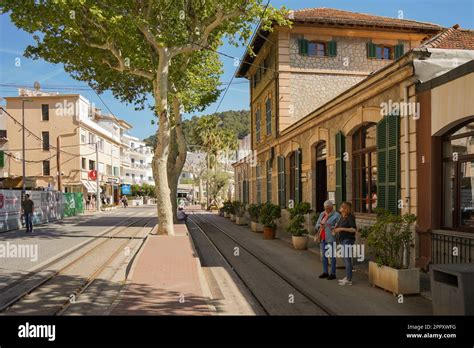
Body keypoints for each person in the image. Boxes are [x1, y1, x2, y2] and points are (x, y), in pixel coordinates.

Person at [314, 200, 340, 280]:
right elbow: (317, 225)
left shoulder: (336, 215)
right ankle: (325, 272)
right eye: (325, 208)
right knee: (324, 256)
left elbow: (338, 226)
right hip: (322, 237)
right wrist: (320, 225)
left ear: (332, 207)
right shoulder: (322, 214)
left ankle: (333, 273)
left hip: (331, 238)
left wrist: (330, 226)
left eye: (328, 208)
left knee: (332, 257)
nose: (327, 209)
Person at [334, 201, 357, 286]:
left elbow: (354, 229)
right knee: (345, 259)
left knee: (347, 259)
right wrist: (335, 230)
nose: (340, 207)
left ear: (345, 208)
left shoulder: (350, 217)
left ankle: (349, 279)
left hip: (348, 240)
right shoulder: (342, 217)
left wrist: (341, 229)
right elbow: (338, 227)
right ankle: (348, 276)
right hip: (342, 240)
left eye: (342, 206)